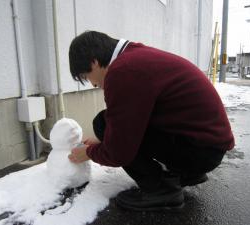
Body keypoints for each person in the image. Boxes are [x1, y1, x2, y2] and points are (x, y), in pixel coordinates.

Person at [67, 31, 235, 211]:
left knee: (103, 123)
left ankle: (161, 191)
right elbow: (134, 118)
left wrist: (90, 152)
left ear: (94, 62)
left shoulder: (123, 71)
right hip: (206, 145)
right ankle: (187, 174)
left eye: (86, 76)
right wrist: (105, 141)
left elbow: (119, 152)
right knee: (110, 124)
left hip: (199, 151)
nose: (92, 84)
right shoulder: (135, 58)